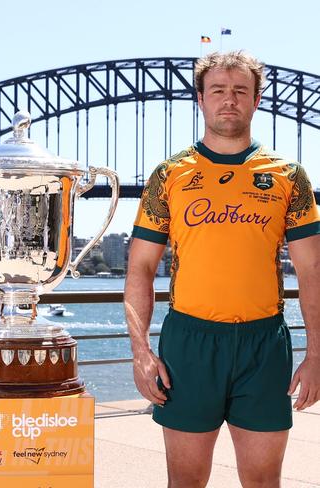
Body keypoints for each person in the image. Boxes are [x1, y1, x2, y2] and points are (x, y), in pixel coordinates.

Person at [125, 50, 320, 487]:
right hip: (189, 344)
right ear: (200, 99)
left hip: (263, 344)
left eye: (239, 91)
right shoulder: (169, 175)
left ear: (256, 100)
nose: (228, 100)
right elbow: (140, 267)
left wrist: (317, 354)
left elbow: (312, 271)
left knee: (264, 481)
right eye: (217, 90)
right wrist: (140, 352)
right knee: (187, 481)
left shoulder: (289, 175)